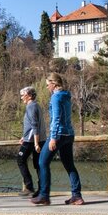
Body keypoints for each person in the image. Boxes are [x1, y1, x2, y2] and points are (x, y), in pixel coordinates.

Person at [31, 72, 84, 206]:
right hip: (69, 135)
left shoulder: (55, 98)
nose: (47, 87)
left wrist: (53, 138)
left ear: (54, 84)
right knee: (69, 165)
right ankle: (76, 196)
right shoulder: (66, 96)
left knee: (42, 162)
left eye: (48, 85)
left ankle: (44, 195)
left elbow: (56, 119)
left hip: (58, 135)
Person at [17, 86, 44, 197]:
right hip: (36, 138)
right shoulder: (36, 105)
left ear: (28, 95)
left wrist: (36, 143)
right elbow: (32, 126)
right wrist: (25, 136)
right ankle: (41, 189)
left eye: (22, 96)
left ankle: (29, 187)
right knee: (38, 164)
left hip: (32, 141)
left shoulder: (31, 107)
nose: (22, 98)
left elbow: (35, 125)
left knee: (20, 159)